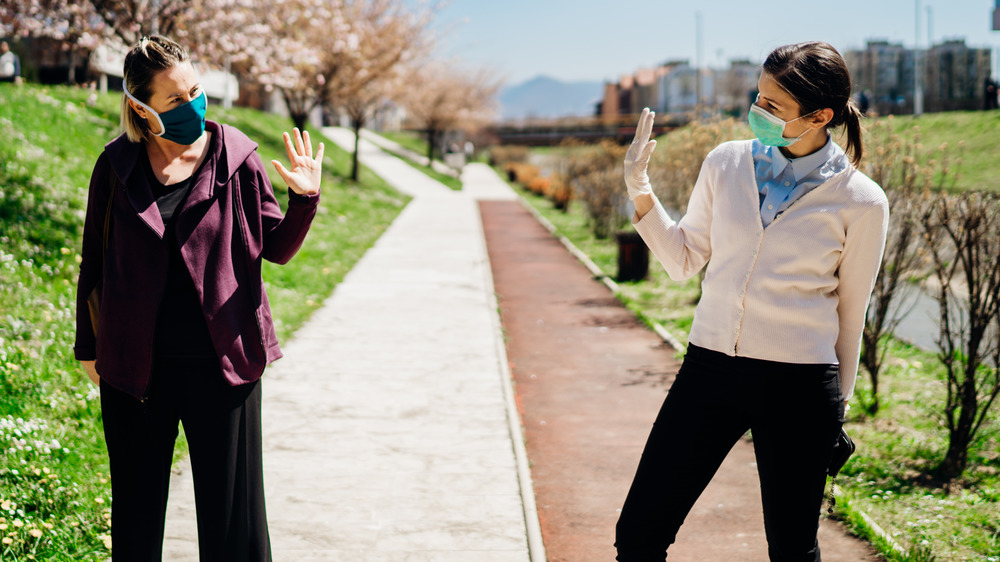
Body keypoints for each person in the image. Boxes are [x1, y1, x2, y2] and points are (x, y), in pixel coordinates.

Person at [615, 41, 888, 561]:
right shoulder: (725, 163)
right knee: (639, 534)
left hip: (800, 386)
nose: (757, 113)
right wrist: (640, 188)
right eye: (758, 98)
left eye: (774, 106)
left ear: (820, 116)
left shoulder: (861, 201)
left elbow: (851, 317)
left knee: (791, 549)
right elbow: (683, 260)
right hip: (710, 369)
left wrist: (838, 410)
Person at [74, 35, 324, 561]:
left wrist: (304, 199)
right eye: (174, 100)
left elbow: (275, 249)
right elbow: (94, 261)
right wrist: (87, 347)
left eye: (195, 91)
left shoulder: (237, 157)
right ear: (141, 109)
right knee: (137, 519)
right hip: (135, 370)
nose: (192, 105)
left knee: (235, 526)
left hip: (223, 365)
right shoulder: (115, 166)